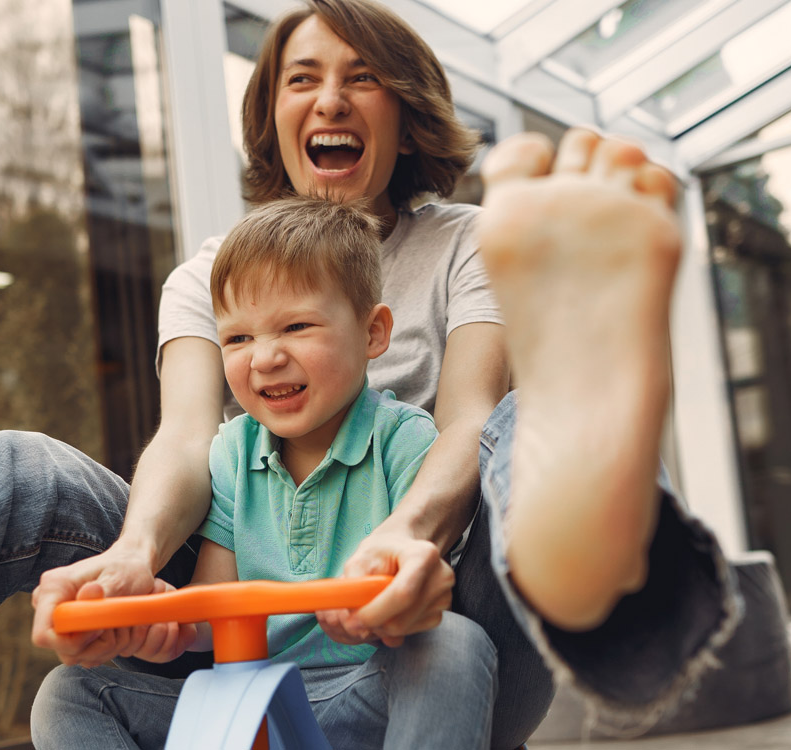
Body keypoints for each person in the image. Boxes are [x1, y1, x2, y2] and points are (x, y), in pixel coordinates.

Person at [0, 0, 737, 746]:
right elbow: (186, 442)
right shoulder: (207, 276)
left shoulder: (478, 240)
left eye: (360, 75)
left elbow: (464, 418)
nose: (329, 97)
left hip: (434, 604)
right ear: (275, 113)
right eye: (302, 77)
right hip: (253, 624)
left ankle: (591, 558)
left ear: (405, 108)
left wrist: (404, 538)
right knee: (28, 475)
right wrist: (137, 558)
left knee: (525, 416)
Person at [30, 196, 498, 749]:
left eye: (296, 326)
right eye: (238, 338)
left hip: (371, 689)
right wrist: (168, 630)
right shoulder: (231, 454)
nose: (265, 358)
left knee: (455, 644)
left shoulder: (404, 440)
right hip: (251, 700)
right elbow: (214, 605)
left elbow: (422, 585)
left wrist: (385, 604)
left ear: (373, 333)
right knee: (69, 692)